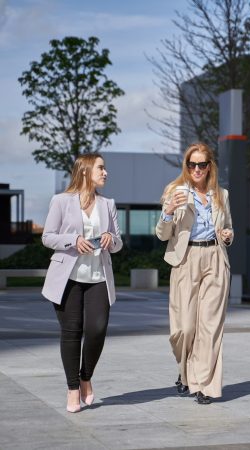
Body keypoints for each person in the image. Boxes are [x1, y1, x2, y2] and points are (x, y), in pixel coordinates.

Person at [41, 153, 122, 413]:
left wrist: (111, 237)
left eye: (105, 168)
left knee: (97, 330)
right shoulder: (61, 201)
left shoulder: (108, 204)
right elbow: (48, 237)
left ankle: (86, 376)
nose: (105, 172)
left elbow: (119, 243)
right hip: (68, 279)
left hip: (99, 278)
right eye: (100, 167)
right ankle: (73, 388)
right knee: (72, 333)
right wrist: (72, 240)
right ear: (85, 170)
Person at [156, 142, 233, 405]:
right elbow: (163, 235)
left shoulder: (221, 194)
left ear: (210, 166)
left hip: (215, 258)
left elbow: (228, 227)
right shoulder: (174, 192)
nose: (197, 169)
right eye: (192, 164)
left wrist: (227, 235)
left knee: (209, 328)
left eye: (202, 164)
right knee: (185, 328)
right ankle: (184, 372)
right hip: (185, 259)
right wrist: (167, 213)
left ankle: (204, 385)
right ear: (186, 167)